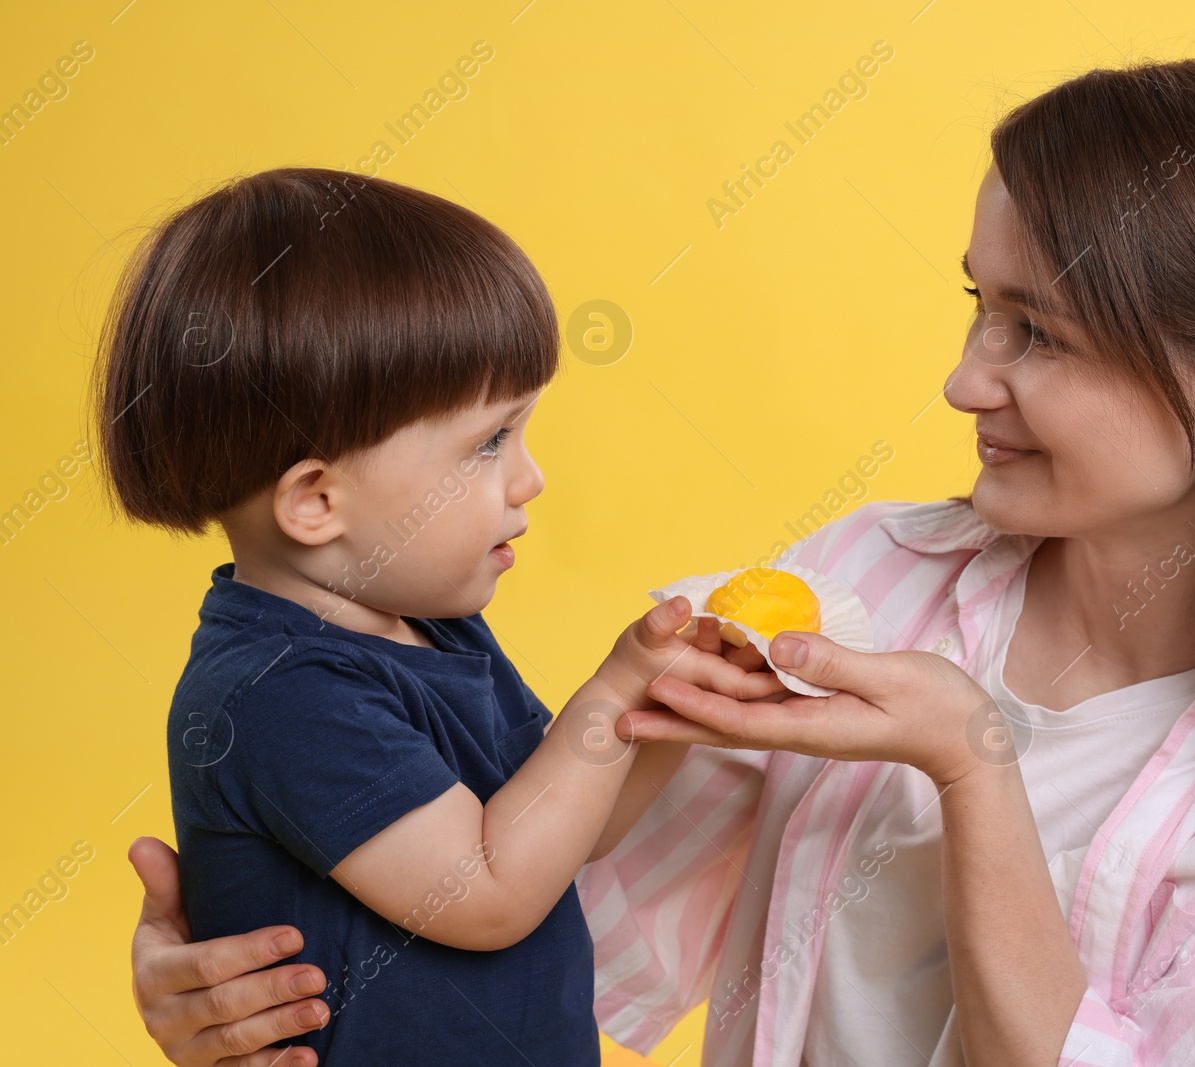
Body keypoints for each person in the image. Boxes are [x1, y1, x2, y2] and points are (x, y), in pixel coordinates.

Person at [126, 57, 1195, 1067]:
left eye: (1035, 331)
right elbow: (537, 906)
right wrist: (255, 982)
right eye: (974, 306)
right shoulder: (863, 586)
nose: (960, 379)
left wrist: (974, 764)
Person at [96, 167, 782, 1065]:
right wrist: (604, 696)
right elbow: (490, 892)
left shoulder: (425, 625)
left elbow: (564, 833)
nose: (528, 477)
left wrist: (670, 706)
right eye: (489, 442)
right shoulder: (281, 693)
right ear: (316, 501)